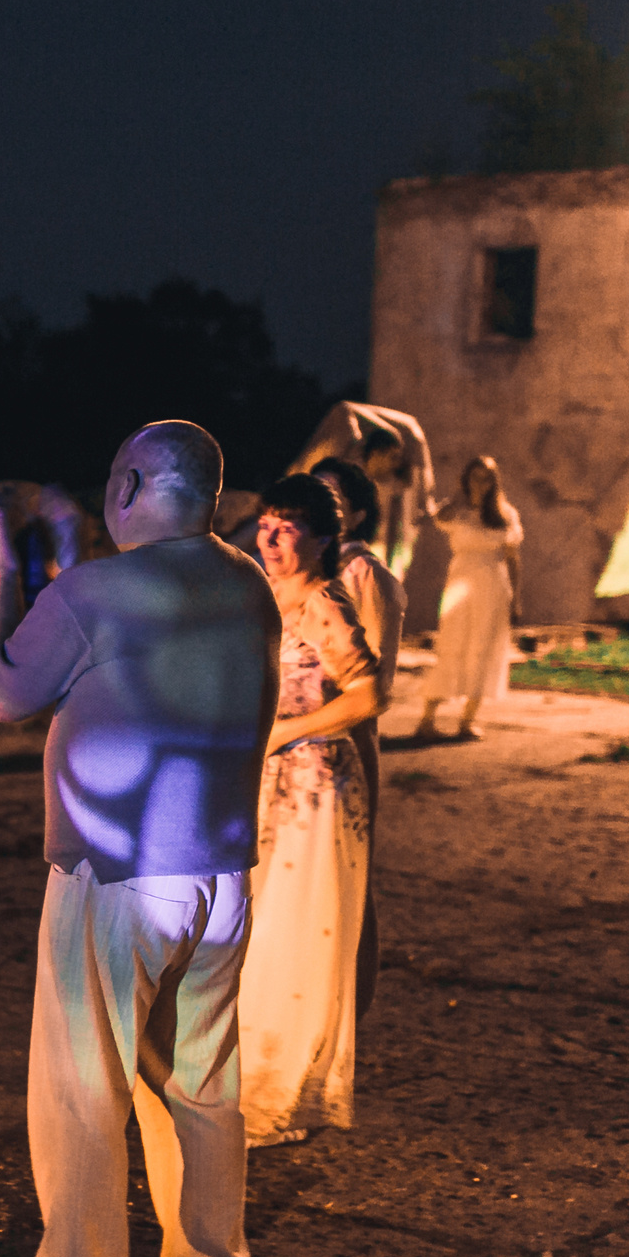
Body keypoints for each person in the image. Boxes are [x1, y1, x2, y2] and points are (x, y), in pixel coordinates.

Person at [0, 419, 280, 1257]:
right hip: (221, 881)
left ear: (137, 482)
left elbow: (1, 693)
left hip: (116, 879)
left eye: (114, 477)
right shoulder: (250, 584)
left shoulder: (93, 591)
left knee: (81, 1094)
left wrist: (0, 587)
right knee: (204, 1089)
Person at [237, 473, 387, 1149]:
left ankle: (277, 1091)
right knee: (251, 923)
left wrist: (284, 733)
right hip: (264, 780)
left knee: (290, 932)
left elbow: (368, 693)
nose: (269, 535)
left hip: (315, 787)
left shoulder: (326, 603)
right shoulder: (262, 596)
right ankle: (242, 1077)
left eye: (286, 525)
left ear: (324, 539)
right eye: (265, 521)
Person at [304, 456, 405, 1019]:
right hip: (297, 744)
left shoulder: (363, 575)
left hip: (344, 737)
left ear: (359, 513)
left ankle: (348, 1009)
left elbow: (373, 682)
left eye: (332, 498)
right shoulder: (306, 569)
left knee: (348, 882)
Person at [411, 455, 521, 741]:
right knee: (452, 642)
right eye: (475, 477)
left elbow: (512, 557)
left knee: (485, 646)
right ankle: (427, 719)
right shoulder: (455, 510)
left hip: (493, 582)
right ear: (466, 478)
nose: (480, 483)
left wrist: (516, 596)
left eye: (486, 478)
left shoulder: (505, 513)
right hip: (461, 578)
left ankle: (467, 720)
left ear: (494, 482)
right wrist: (460, 498)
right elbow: (435, 516)